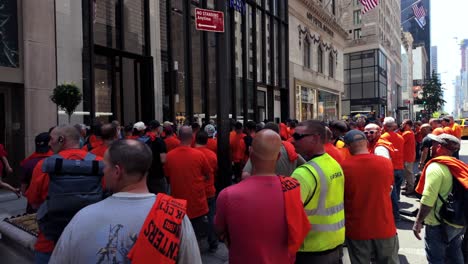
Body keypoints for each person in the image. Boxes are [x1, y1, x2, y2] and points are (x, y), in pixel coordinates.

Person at [49, 139, 201, 264]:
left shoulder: (82, 217)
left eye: (105, 166)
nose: (103, 171)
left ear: (117, 171)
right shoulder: (175, 216)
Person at [215, 129, 309, 264]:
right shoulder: (293, 187)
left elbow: (220, 230)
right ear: (277, 157)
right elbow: (300, 230)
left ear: (250, 152)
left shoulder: (227, 195)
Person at [25, 125, 104, 264]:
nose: (49, 143)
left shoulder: (44, 165)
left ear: (61, 139)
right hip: (89, 241)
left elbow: (33, 202)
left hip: (50, 242)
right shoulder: (99, 163)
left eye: (51, 139)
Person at [341, 130, 399, 263]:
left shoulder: (343, 167)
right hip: (384, 226)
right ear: (366, 143)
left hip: (357, 228)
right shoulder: (386, 163)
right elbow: (389, 190)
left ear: (348, 147)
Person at [291, 120, 345, 263]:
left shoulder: (303, 173)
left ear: (315, 138)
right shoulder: (333, 163)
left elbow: (289, 216)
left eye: (297, 136)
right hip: (335, 244)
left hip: (311, 249)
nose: (292, 140)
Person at [413, 133, 466, 264]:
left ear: (440, 147)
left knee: (436, 258)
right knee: (454, 253)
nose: (431, 146)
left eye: (434, 144)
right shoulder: (458, 165)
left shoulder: (435, 167)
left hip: (438, 223)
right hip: (459, 220)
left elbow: (428, 199)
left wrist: (418, 221)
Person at [165, 126, 211, 238]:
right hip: (196, 201)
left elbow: (167, 175)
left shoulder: (169, 156)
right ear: (192, 137)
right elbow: (208, 174)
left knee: (181, 235)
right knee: (196, 235)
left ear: (179, 137)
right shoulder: (199, 155)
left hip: (178, 202)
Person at [194, 130, 218, 252]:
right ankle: (213, 242)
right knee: (211, 217)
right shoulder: (212, 155)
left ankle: (195, 242)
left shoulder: (192, 154)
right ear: (207, 140)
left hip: (196, 191)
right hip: (209, 191)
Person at [20, 132, 52, 211]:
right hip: (52, 205)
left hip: (33, 206)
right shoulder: (58, 161)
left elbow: (23, 191)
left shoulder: (28, 163)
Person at [381, 117, 405, 221]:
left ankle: (396, 216)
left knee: (392, 195)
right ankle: (396, 211)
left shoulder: (383, 137)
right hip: (400, 167)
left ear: (385, 126)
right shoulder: (400, 137)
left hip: (391, 169)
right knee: (396, 193)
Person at [400, 119, 416, 195]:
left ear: (407, 125)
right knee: (407, 172)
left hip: (407, 156)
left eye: (403, 124)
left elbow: (400, 141)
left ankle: (411, 188)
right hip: (409, 155)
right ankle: (408, 186)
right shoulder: (409, 132)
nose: (401, 125)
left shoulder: (407, 133)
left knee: (408, 173)